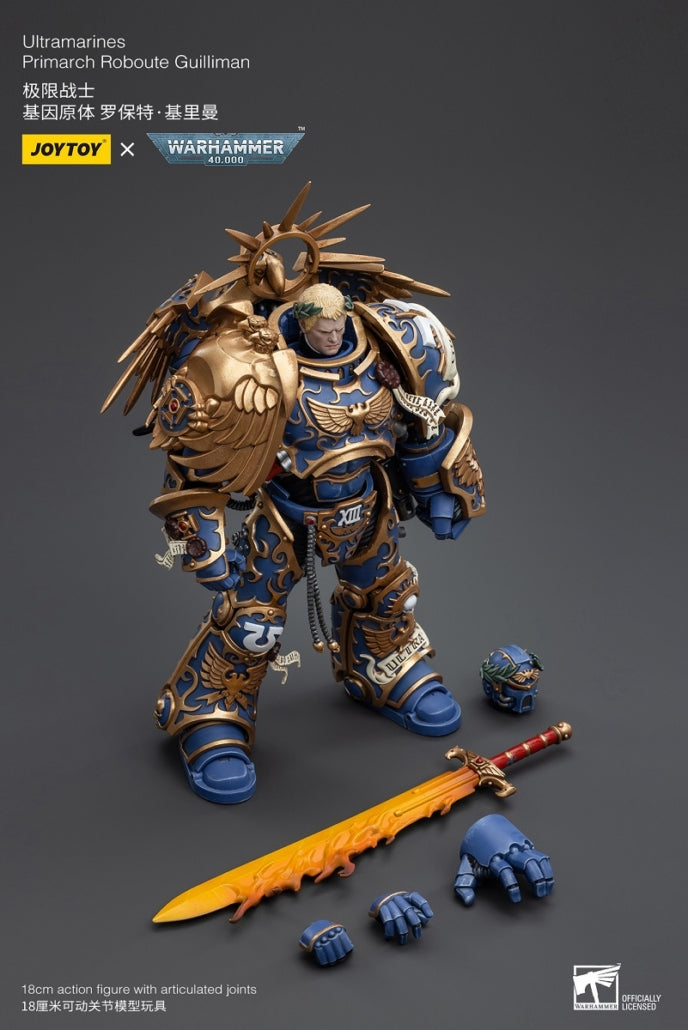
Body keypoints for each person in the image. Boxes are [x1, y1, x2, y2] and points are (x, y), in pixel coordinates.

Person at [103, 184, 486, 803]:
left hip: (370, 506)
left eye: (338, 327)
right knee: (250, 623)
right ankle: (212, 710)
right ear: (303, 324)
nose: (333, 337)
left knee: (389, 593)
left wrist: (442, 489)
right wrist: (207, 548)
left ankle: (385, 664)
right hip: (287, 519)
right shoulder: (249, 366)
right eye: (321, 330)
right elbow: (195, 466)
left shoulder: (392, 344)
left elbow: (424, 423)